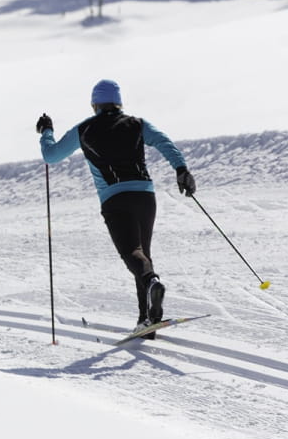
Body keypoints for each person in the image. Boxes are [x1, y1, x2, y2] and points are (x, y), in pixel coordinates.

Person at [35, 79, 196, 338]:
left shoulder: (85, 129)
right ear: (119, 102)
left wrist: (46, 131)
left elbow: (51, 156)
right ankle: (146, 319)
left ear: (94, 104)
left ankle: (152, 284)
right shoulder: (137, 124)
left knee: (133, 254)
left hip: (115, 199)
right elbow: (166, 142)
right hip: (145, 196)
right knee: (143, 255)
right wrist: (182, 170)